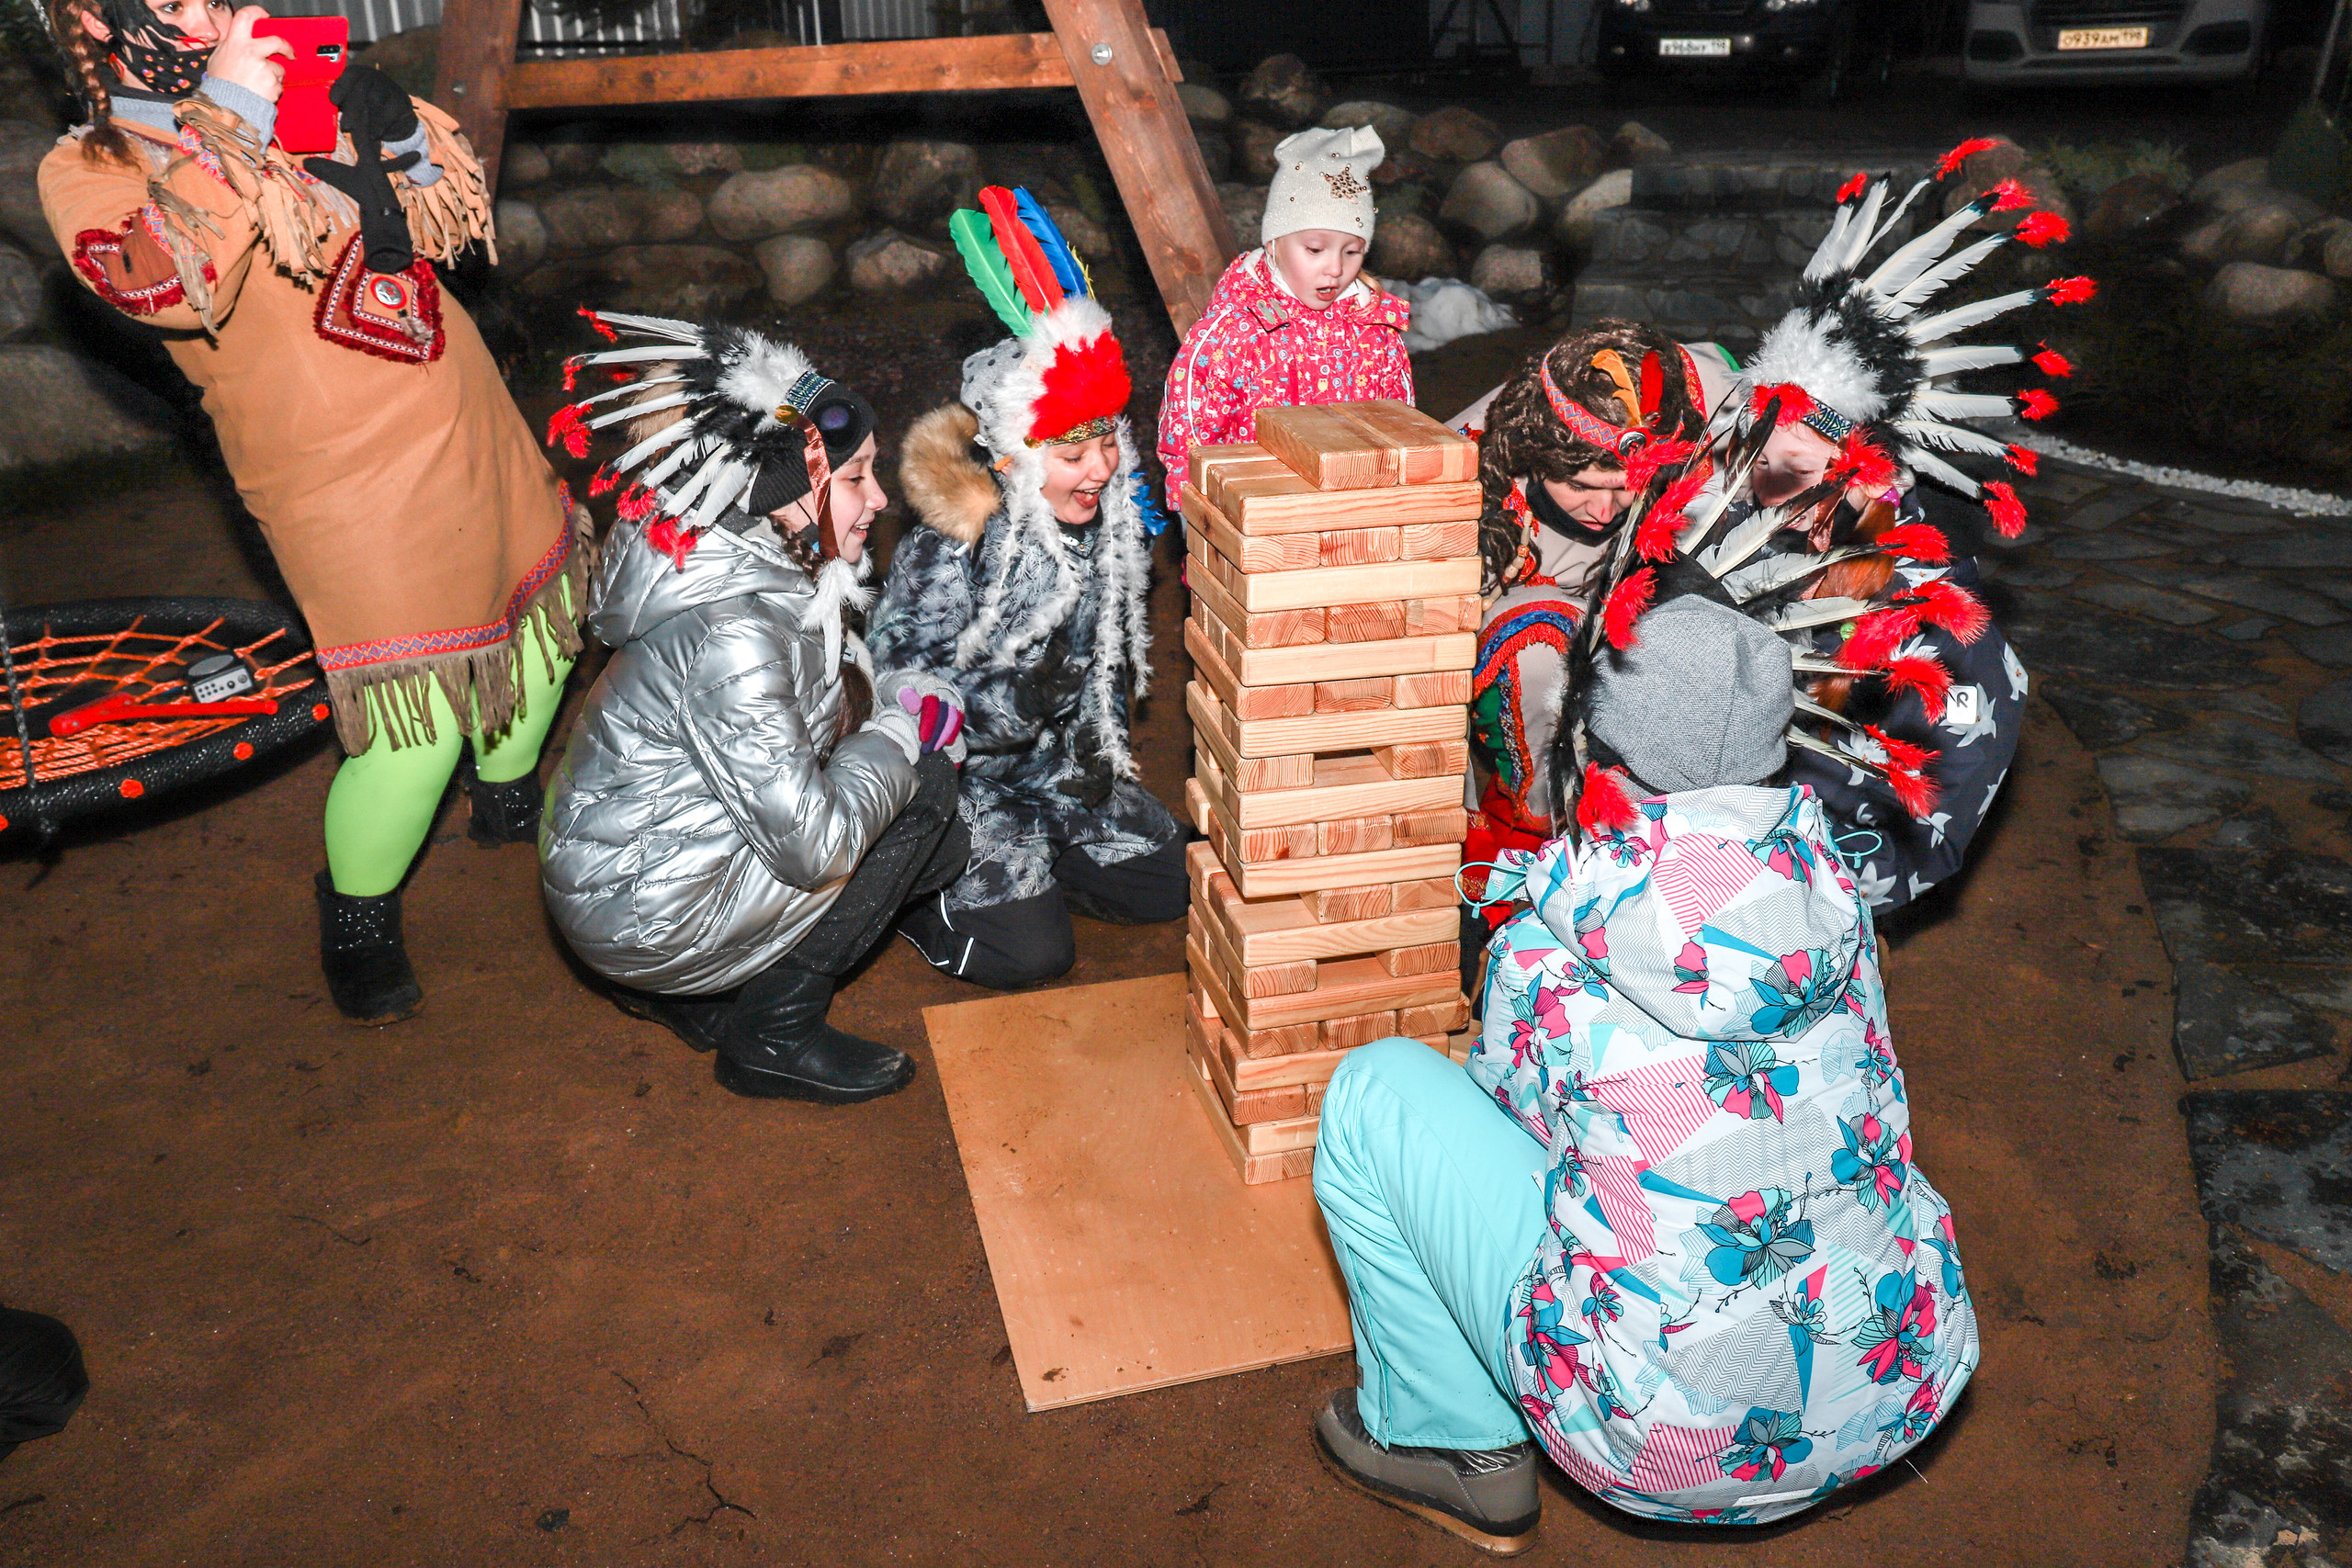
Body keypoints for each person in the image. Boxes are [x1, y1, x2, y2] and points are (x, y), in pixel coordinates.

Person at [1308, 592, 1978, 1551]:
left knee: (1378, 1093)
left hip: (1661, 1446)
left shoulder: (1552, 939)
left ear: (1601, 742)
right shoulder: (1834, 894)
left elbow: (1516, 1124)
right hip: (1894, 1381)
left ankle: (1454, 1448)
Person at [37, 0, 582, 1024]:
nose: (207, 12)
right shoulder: (91, 166)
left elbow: (442, 226)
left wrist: (404, 138)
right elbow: (162, 288)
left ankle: (509, 795)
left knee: (544, 630)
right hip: (337, 469)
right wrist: (235, 109)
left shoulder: (304, 99)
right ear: (95, 22)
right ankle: (358, 911)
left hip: (458, 400)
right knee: (411, 730)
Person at [538, 319, 968, 1103]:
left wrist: (889, 701)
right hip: (641, 908)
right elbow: (813, 847)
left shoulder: (754, 550)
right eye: (856, 477)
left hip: (641, 872)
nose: (879, 497)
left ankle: (699, 996)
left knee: (924, 817)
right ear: (794, 493)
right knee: (926, 788)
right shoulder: (731, 630)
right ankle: (773, 1035)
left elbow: (810, 708)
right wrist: (901, 734)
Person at [1679, 141, 2092, 910]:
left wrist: (1798, 895)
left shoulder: (1936, 624)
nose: (1773, 463)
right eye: (1762, 431)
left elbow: (1936, 812)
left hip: (1808, 915)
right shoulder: (1704, 531)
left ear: (1871, 468)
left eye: (1809, 451)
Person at [872, 189, 1183, 990]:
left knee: (1172, 883)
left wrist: (1084, 738)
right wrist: (1019, 696)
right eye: (1073, 453)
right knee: (1032, 958)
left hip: (1058, 773)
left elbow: (1104, 672)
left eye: (1107, 442)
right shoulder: (951, 546)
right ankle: (913, 893)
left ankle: (1048, 861)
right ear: (1012, 454)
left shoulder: (1107, 525)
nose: (1101, 469)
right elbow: (903, 692)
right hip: (961, 784)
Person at [1157, 126, 1412, 505]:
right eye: (1314, 249)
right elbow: (1189, 442)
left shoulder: (1375, 332)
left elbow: (1403, 432)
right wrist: (1198, 519)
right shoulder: (1235, 334)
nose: (1335, 269)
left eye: (1352, 251)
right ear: (1274, 242)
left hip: (1354, 523)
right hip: (1256, 523)